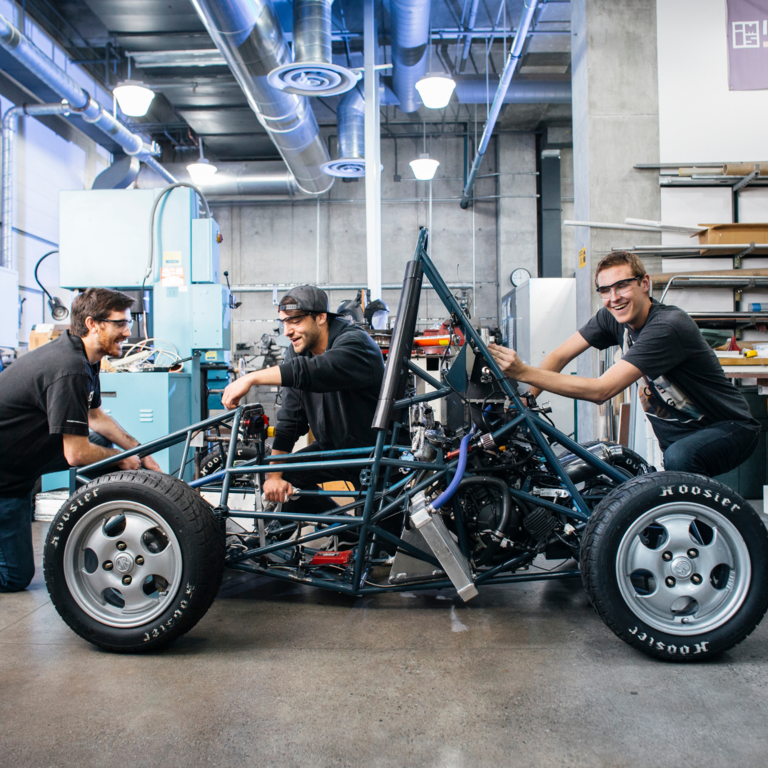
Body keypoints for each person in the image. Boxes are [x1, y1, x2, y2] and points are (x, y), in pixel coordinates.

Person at [489, 251, 759, 477]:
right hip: (679, 441)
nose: (614, 297)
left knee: (681, 461)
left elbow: (601, 390)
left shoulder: (667, 326)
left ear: (644, 284)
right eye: (605, 290)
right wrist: (525, 401)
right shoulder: (611, 317)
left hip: (729, 429)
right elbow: (559, 356)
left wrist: (524, 372)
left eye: (622, 285)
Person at [0, 288, 161, 593]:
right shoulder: (69, 367)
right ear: (93, 324)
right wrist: (121, 460)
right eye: (120, 324)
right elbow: (75, 454)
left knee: (100, 441)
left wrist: (141, 452)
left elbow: (96, 417)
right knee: (13, 577)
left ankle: (103, 524)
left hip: (24, 458)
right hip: (6, 480)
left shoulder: (87, 357)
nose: (128, 332)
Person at [221, 285, 385, 512]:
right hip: (334, 450)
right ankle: (344, 533)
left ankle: (364, 535)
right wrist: (275, 477)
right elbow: (291, 420)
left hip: (376, 454)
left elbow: (316, 371)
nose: (287, 331)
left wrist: (251, 378)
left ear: (320, 317)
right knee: (283, 474)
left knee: (381, 538)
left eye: (295, 321)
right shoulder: (297, 351)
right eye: (284, 322)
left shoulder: (356, 343)